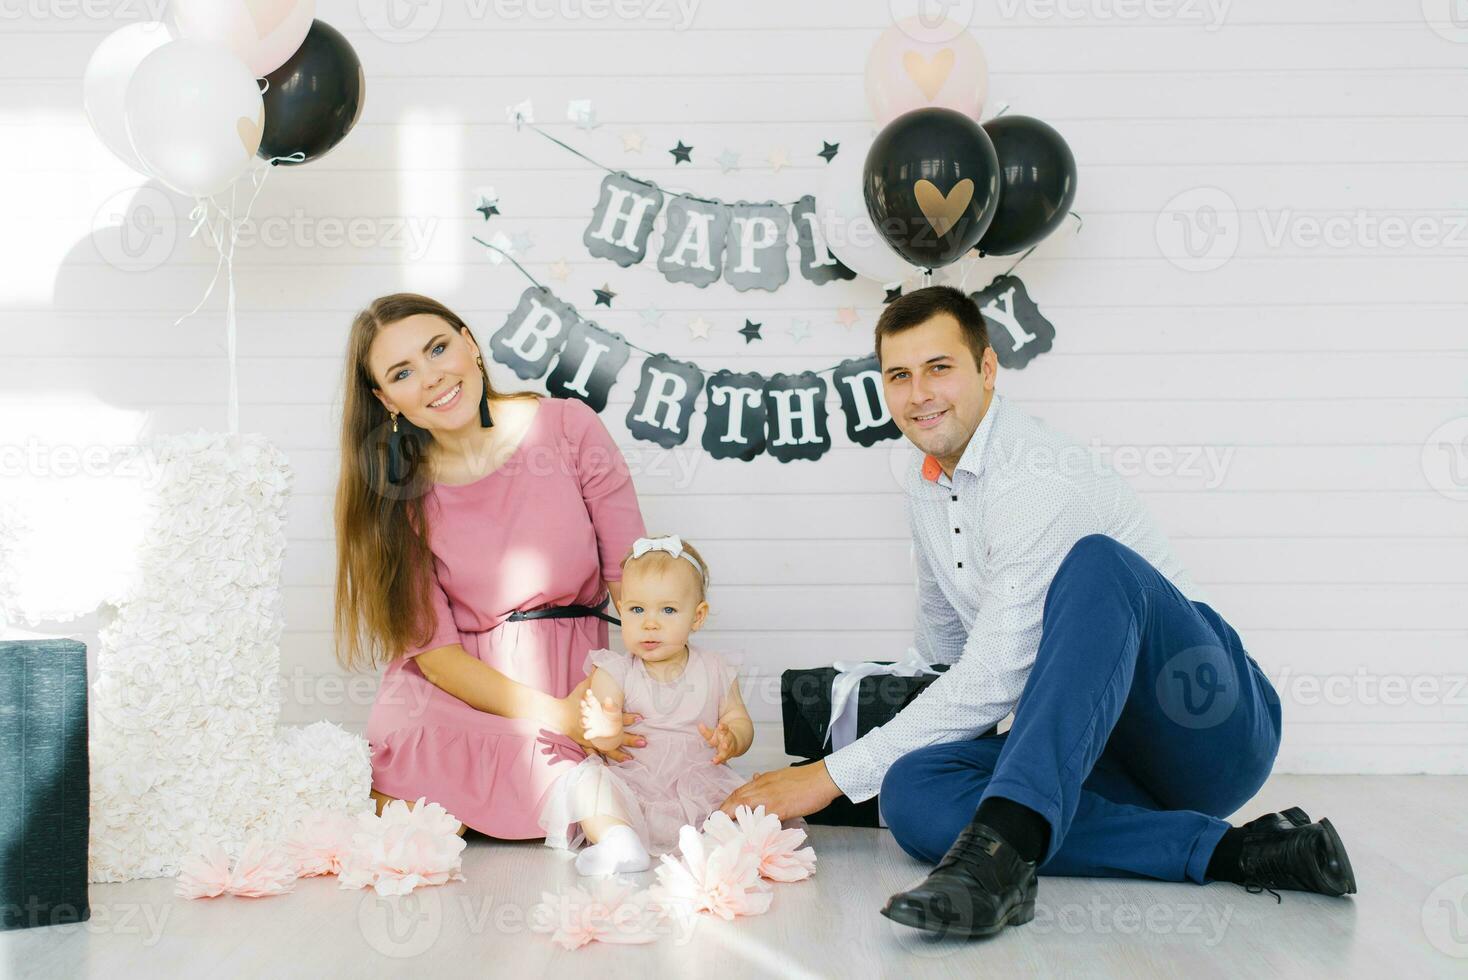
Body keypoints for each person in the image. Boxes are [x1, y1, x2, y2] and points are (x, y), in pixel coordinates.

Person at [720, 286, 1355, 938]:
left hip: (1205, 727)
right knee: (914, 794)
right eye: (899, 376)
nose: (919, 394)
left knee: (1097, 564)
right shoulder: (923, 479)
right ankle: (1237, 851)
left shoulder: (1037, 478)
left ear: (987, 370)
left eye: (939, 368)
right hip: (1091, 752)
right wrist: (875, 732)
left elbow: (995, 676)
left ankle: (999, 862)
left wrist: (827, 776)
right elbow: (944, 642)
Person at [332, 293, 648, 840]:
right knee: (428, 811)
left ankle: (528, 794)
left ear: (471, 344)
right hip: (459, 692)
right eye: (403, 372)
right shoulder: (396, 492)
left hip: (577, 670)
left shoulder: (570, 429)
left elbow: (635, 581)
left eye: (438, 349)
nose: (431, 377)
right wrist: (557, 716)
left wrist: (605, 690)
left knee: (615, 772)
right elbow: (437, 660)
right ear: (385, 399)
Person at [539, 534, 759, 876]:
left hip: (698, 786)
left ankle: (716, 847)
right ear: (621, 609)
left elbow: (739, 720)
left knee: (747, 807)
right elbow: (604, 743)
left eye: (668, 610)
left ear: (697, 616)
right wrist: (606, 732)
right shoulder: (614, 670)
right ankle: (619, 840)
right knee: (587, 784)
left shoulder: (716, 669)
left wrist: (733, 738)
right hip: (634, 788)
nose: (650, 622)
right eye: (637, 609)